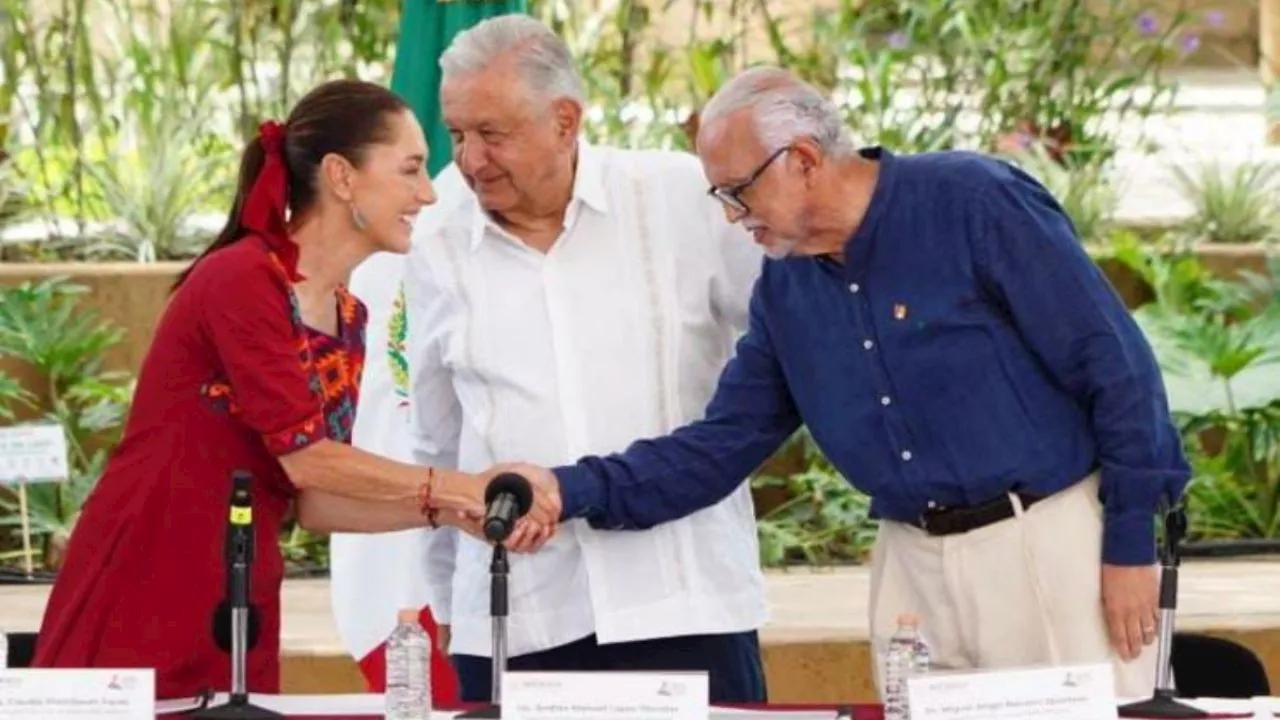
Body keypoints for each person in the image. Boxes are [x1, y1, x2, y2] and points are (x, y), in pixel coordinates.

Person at [507, 66, 1192, 699]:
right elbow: (721, 446)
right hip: (910, 572)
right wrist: (567, 489)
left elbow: (1118, 368)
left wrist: (1130, 544)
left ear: (802, 159)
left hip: (1045, 546)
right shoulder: (786, 288)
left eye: (738, 192)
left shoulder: (975, 203)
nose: (730, 216)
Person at [30, 78, 556, 701]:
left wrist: (456, 512)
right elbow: (308, 456)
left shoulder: (349, 316)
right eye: (411, 169)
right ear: (341, 176)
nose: (429, 192)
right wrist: (459, 484)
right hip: (144, 575)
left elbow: (313, 498)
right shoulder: (243, 278)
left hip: (238, 593)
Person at [401, 15, 771, 704]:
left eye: (492, 134)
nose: (471, 160)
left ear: (565, 120)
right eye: (457, 134)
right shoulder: (432, 241)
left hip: (682, 596)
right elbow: (437, 437)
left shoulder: (680, 198)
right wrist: (451, 606)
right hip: (518, 612)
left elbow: (782, 344)